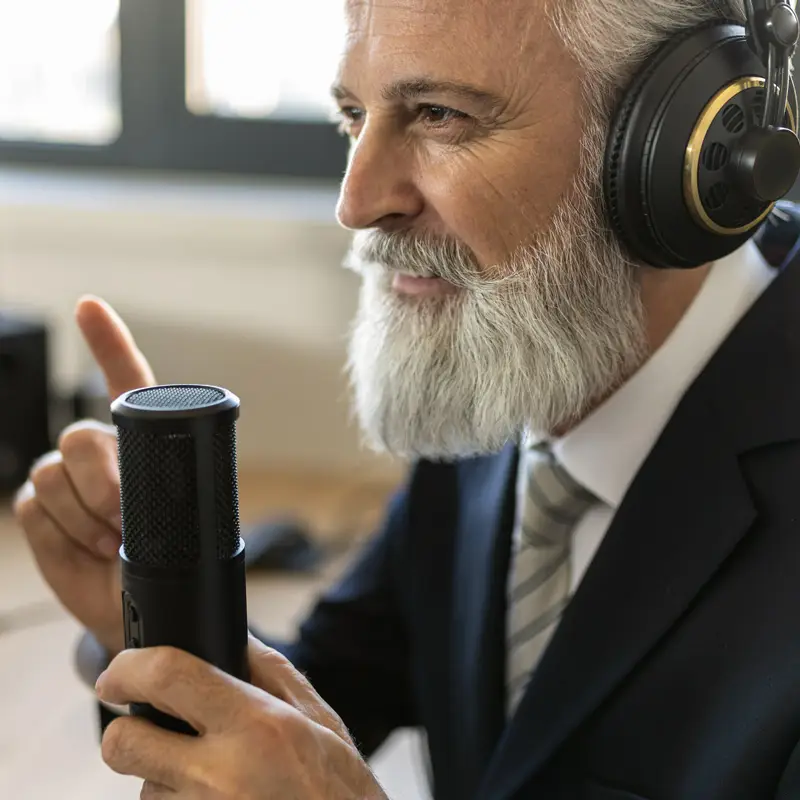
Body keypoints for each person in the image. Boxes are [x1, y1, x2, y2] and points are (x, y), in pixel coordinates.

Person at [13, 0, 800, 796]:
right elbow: (323, 700)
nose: (355, 202)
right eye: (353, 113)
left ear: (674, 151)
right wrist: (157, 610)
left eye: (439, 114)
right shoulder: (510, 360)